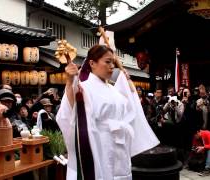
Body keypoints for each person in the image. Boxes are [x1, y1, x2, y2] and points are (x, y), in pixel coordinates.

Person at [56, 44, 159, 179]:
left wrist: (127, 84)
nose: (112, 66)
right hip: (99, 145)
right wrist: (70, 82)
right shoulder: (84, 88)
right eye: (107, 62)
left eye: (113, 62)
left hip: (120, 149)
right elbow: (70, 112)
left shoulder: (113, 89)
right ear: (92, 63)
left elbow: (129, 109)